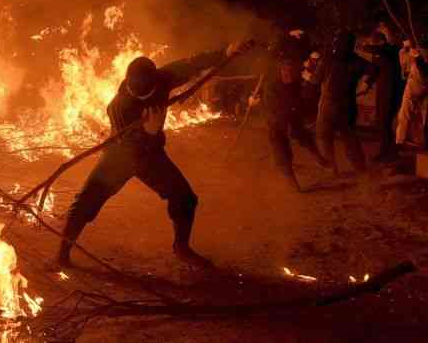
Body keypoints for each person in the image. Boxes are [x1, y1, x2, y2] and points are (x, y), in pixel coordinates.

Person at [57, 40, 254, 268]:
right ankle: (62, 253)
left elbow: (191, 65)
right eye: (137, 93)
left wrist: (224, 51)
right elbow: (130, 148)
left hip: (151, 157)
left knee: (185, 198)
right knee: (85, 202)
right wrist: (149, 133)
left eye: (146, 93)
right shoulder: (119, 106)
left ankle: (181, 247)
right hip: (121, 157)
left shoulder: (161, 78)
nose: (142, 96)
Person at [258, 33, 329, 190]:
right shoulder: (277, 76)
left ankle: (310, 165)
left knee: (290, 137)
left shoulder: (284, 68)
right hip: (284, 111)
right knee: (290, 138)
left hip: (285, 109)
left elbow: (297, 86)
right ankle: (304, 168)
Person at [308, 30, 378, 175]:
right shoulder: (356, 60)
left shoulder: (328, 59)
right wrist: (367, 83)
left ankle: (331, 168)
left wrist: (306, 75)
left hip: (328, 103)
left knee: (323, 135)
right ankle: (359, 167)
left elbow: (315, 80)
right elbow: (374, 69)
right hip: (348, 104)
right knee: (349, 136)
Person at [361, 23, 403, 162]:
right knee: (382, 122)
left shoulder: (390, 51)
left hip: (392, 91)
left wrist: (365, 46)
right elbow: (374, 70)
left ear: (381, 41)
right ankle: (386, 151)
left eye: (374, 42)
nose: (371, 44)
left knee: (384, 121)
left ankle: (388, 153)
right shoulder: (380, 53)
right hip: (383, 91)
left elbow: (379, 48)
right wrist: (366, 86)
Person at [396, 45, 428, 149]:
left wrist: (417, 56)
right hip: (417, 83)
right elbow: (405, 71)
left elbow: (422, 71)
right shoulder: (407, 52)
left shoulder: (418, 53)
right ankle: (417, 140)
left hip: (416, 84)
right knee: (418, 114)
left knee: (405, 112)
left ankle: (401, 140)